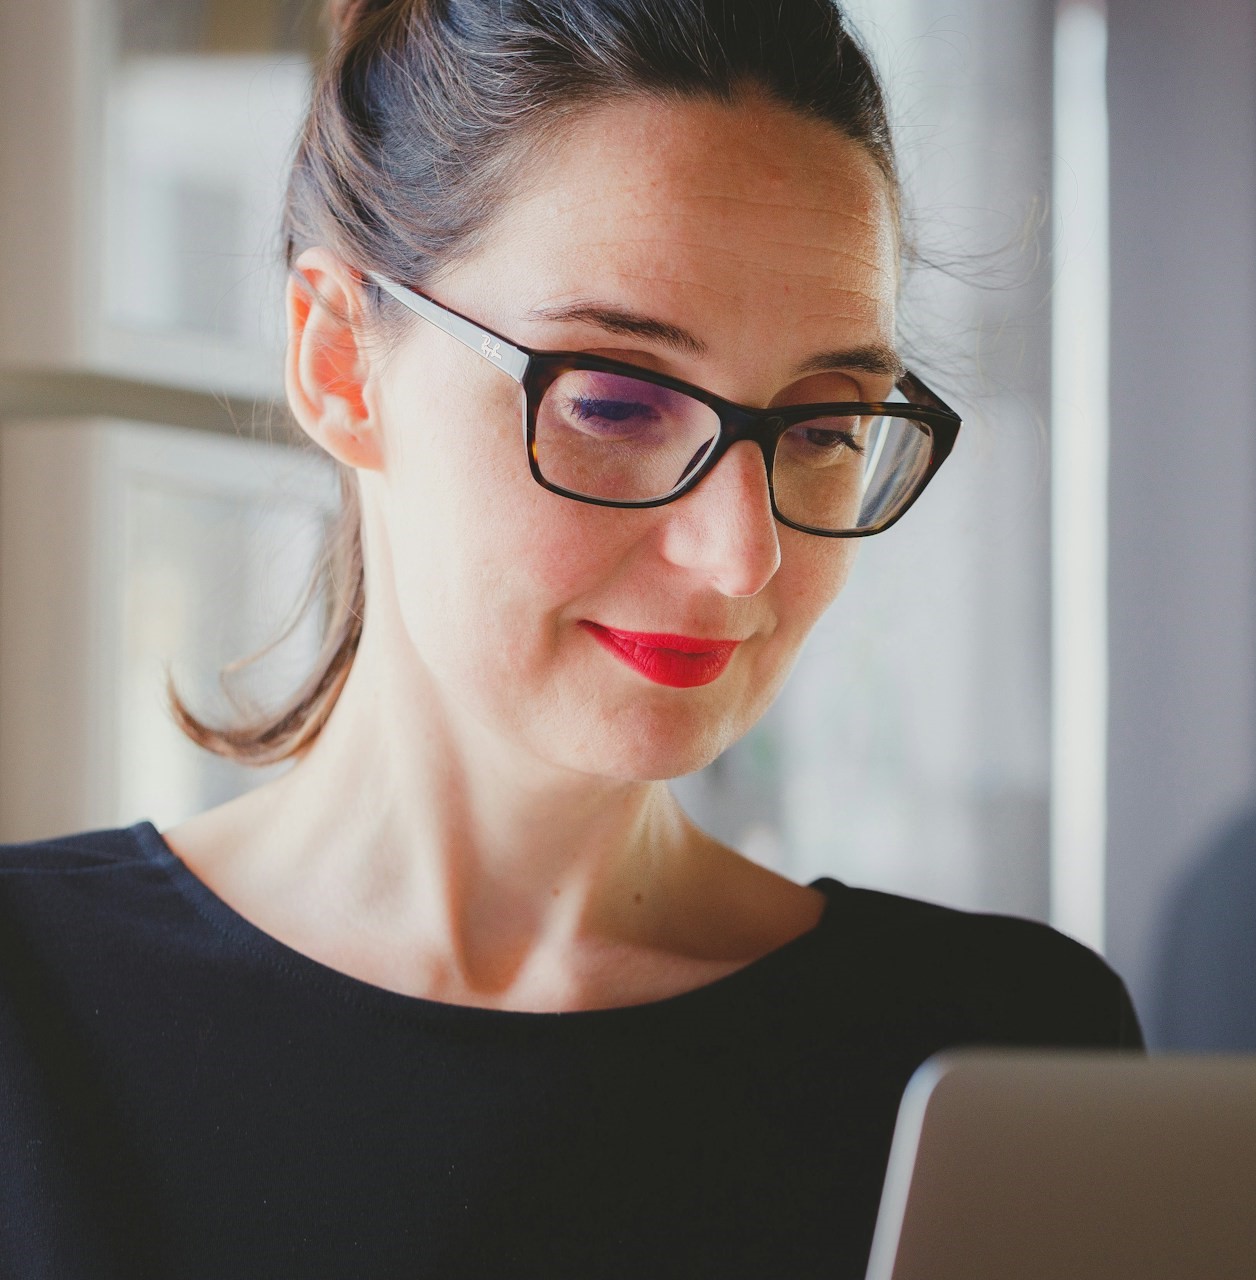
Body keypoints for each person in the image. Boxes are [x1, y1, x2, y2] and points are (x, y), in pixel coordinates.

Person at [0, 1, 1143, 1276]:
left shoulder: (997, 1052)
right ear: (336, 359)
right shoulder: (31, 1013)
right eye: (610, 397)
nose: (740, 555)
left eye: (823, 428)